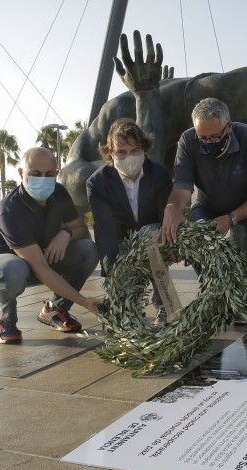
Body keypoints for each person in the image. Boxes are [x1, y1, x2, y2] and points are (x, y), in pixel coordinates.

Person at [160, 97, 247, 324]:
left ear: (229, 127)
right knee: (196, 233)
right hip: (208, 205)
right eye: (202, 137)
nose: (208, 142)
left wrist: (231, 218)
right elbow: (182, 188)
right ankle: (214, 292)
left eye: (214, 137)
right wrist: (173, 207)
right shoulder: (188, 140)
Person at [0, 147, 102, 344]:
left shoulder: (59, 193)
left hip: (40, 256)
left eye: (49, 174)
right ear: (21, 173)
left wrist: (66, 233)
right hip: (2, 268)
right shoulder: (9, 210)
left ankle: (55, 310)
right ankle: (6, 319)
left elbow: (81, 230)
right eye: (35, 173)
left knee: (88, 250)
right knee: (13, 268)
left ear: (57, 173)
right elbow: (40, 268)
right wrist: (85, 302)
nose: (43, 179)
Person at [86, 118, 172, 323]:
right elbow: (104, 228)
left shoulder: (158, 173)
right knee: (124, 312)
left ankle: (167, 306)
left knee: (150, 234)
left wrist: (170, 245)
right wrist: (111, 270)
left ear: (144, 149)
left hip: (153, 236)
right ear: (110, 153)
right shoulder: (97, 183)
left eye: (135, 151)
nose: (129, 157)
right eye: (121, 152)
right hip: (120, 242)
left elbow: (165, 215)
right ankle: (128, 308)